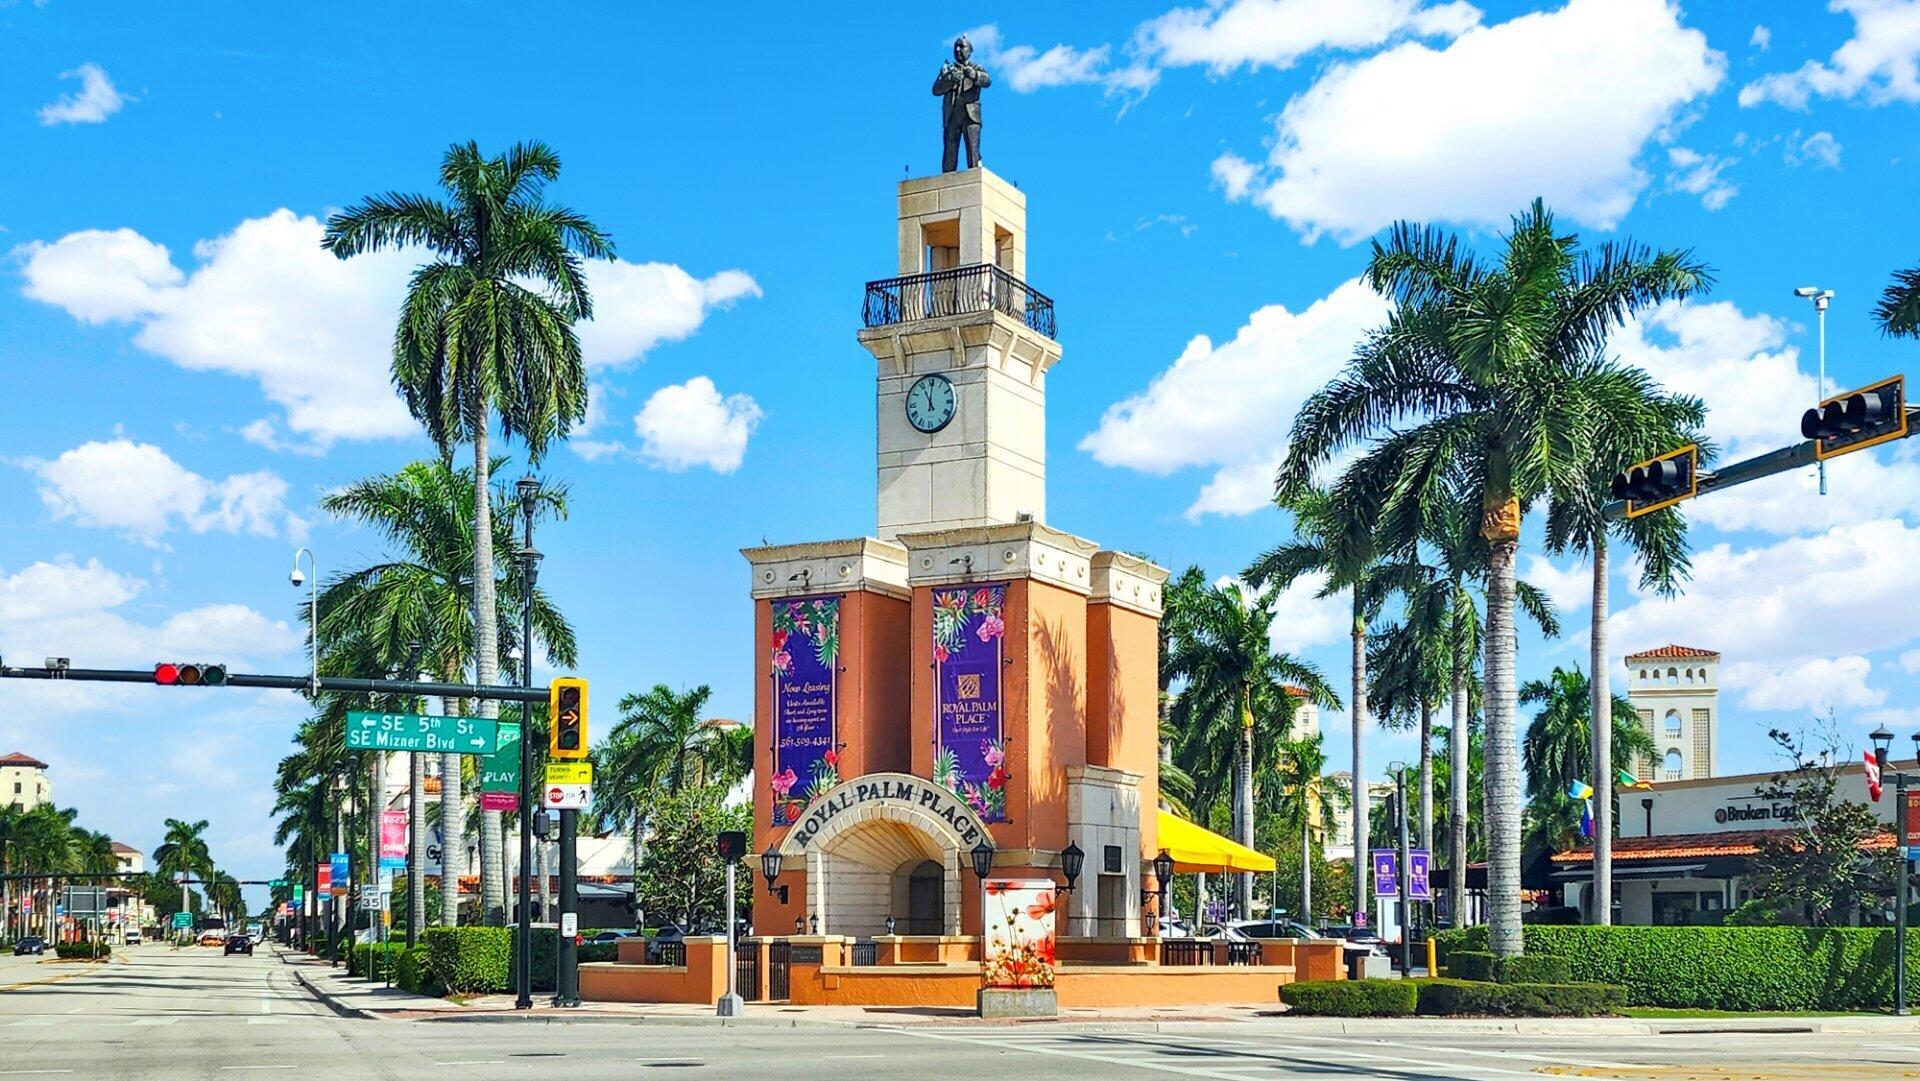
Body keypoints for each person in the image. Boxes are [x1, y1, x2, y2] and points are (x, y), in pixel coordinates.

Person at [933, 36, 991, 172]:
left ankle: (974, 174)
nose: (958, 50)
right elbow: (936, 90)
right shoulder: (948, 69)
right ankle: (947, 177)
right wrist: (950, 79)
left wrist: (974, 75)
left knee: (973, 149)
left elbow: (987, 81)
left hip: (971, 115)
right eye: (956, 47)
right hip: (952, 115)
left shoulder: (976, 67)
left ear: (969, 51)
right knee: (950, 150)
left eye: (962, 46)